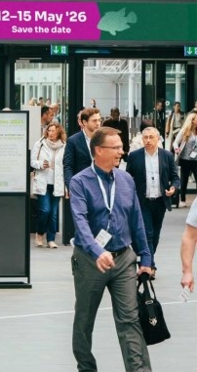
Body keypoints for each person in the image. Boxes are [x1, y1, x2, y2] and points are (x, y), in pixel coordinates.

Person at [70, 126, 153, 372]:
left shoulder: (126, 180)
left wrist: (145, 257)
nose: (121, 151)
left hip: (124, 259)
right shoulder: (79, 182)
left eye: (121, 147)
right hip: (90, 261)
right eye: (116, 147)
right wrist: (98, 251)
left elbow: (136, 220)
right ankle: (86, 367)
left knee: (130, 319)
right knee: (84, 320)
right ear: (99, 150)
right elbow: (80, 223)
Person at [126, 126, 179, 274]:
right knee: (147, 233)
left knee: (155, 234)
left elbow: (175, 177)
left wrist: (173, 188)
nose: (148, 140)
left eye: (151, 137)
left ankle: (148, 260)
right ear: (142, 139)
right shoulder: (134, 156)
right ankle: (150, 265)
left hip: (160, 201)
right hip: (142, 201)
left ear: (158, 139)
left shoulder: (167, 156)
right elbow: (127, 177)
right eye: (145, 137)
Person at [64, 108, 102, 245]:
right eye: (94, 120)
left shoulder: (103, 139)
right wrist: (70, 185)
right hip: (82, 186)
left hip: (101, 185)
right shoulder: (73, 141)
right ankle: (83, 244)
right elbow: (68, 165)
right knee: (82, 217)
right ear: (84, 122)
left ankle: (96, 245)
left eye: (99, 120)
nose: (98, 123)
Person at [31, 122, 66, 248]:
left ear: (59, 132)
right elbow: (32, 162)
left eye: (53, 131)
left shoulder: (64, 146)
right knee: (45, 210)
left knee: (54, 213)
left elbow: (65, 165)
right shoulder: (40, 144)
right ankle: (40, 233)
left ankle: (51, 239)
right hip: (43, 181)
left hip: (57, 182)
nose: (51, 133)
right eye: (49, 130)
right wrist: (41, 164)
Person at [173, 111, 197, 208]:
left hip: (195, 159)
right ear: (192, 120)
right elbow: (175, 142)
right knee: (184, 180)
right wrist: (176, 149)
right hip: (185, 159)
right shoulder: (184, 131)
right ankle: (182, 199)